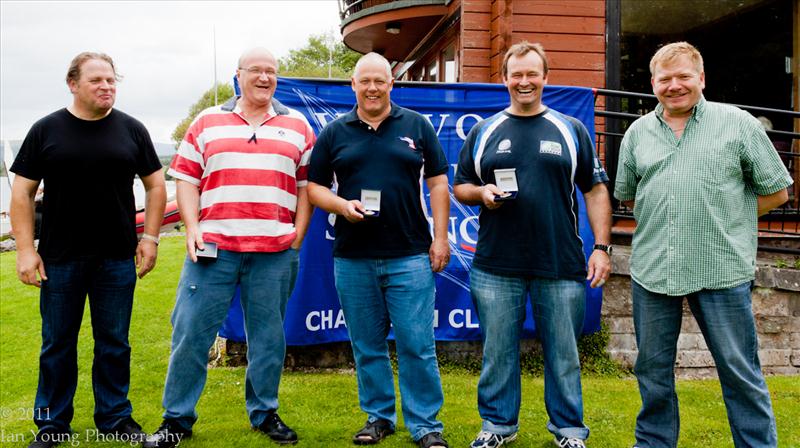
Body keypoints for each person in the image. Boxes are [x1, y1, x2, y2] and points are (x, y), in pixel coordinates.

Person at [614, 41, 790, 448]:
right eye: (665, 78)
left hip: (721, 267)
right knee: (653, 373)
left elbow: (777, 191)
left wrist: (732, 214)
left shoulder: (738, 123)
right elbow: (627, 193)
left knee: (739, 372)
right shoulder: (638, 132)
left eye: (683, 76)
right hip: (654, 269)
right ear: (654, 84)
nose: (674, 86)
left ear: (701, 79)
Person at [144, 47, 315, 448]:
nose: (264, 77)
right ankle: (176, 420)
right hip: (214, 249)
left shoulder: (298, 126)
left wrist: (298, 236)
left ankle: (265, 412)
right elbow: (185, 178)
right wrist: (192, 227)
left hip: (274, 252)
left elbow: (307, 187)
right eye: (255, 70)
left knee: (269, 337)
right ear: (237, 76)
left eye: (271, 71)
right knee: (190, 334)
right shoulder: (207, 121)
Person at [453, 41, 612, 448]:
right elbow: (460, 187)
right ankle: (497, 427)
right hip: (495, 264)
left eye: (532, 74)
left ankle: (569, 431)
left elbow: (594, 191)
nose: (524, 81)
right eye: (516, 74)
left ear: (545, 77)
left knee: (563, 356)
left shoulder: (570, 129)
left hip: (559, 262)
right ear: (504, 79)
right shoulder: (483, 131)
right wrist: (482, 193)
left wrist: (602, 247)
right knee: (497, 354)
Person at [9, 51, 167, 448]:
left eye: (112, 80)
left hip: (116, 258)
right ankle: (50, 424)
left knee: (114, 343)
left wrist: (149, 238)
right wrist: (26, 250)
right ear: (73, 83)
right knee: (56, 345)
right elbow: (22, 192)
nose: (106, 87)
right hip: (60, 259)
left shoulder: (131, 130)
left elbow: (156, 184)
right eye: (97, 80)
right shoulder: (46, 130)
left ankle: (116, 420)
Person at [307, 52, 450, 448]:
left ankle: (425, 425)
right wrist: (341, 206)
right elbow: (314, 188)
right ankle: (378, 417)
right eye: (365, 81)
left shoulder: (417, 126)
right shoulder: (335, 133)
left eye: (380, 81)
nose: (372, 88)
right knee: (367, 345)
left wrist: (441, 237)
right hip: (353, 258)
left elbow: (438, 183)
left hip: (410, 255)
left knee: (417, 345)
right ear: (353, 85)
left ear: (391, 84)